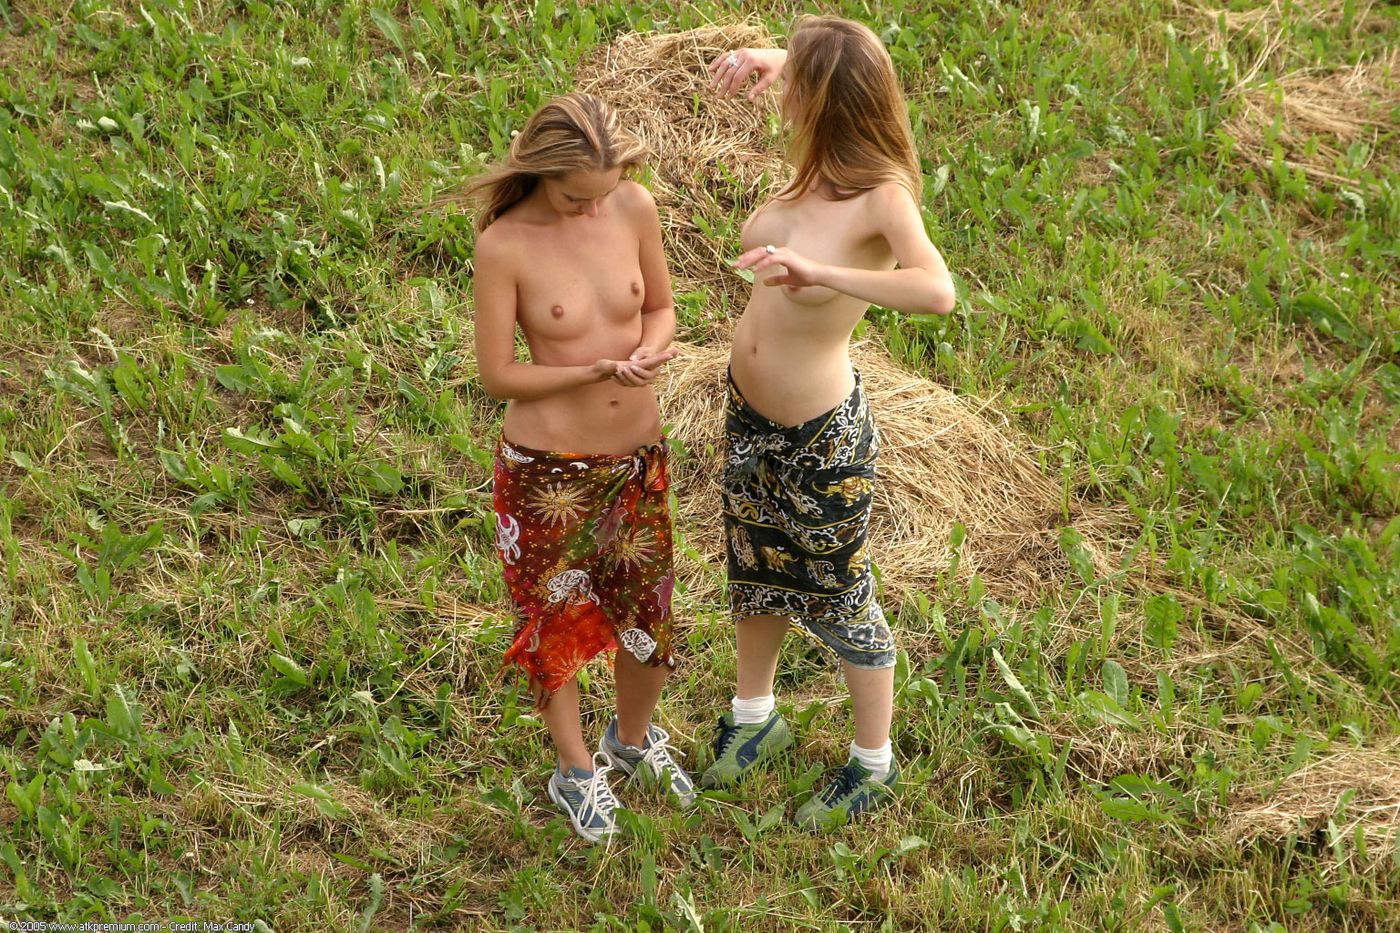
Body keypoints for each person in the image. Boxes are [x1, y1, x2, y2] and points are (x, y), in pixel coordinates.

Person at [701, 17, 957, 829]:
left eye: (796, 85)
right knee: (756, 563)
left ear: (826, 103)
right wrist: (775, 57)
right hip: (750, 415)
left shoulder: (881, 197)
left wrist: (822, 271)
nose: (784, 99)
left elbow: (937, 290)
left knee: (840, 595)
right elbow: (840, 70)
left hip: (821, 439)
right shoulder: (813, 163)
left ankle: (872, 764)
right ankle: (754, 718)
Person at [467, 92, 695, 843]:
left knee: (649, 618)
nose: (592, 209)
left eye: (603, 192)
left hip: (637, 458)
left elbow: (660, 307)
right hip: (548, 473)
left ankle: (630, 740)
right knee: (554, 625)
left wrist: (648, 350)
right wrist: (589, 372)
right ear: (540, 173)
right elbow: (497, 374)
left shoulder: (633, 206)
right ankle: (573, 769)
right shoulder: (505, 245)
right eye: (575, 197)